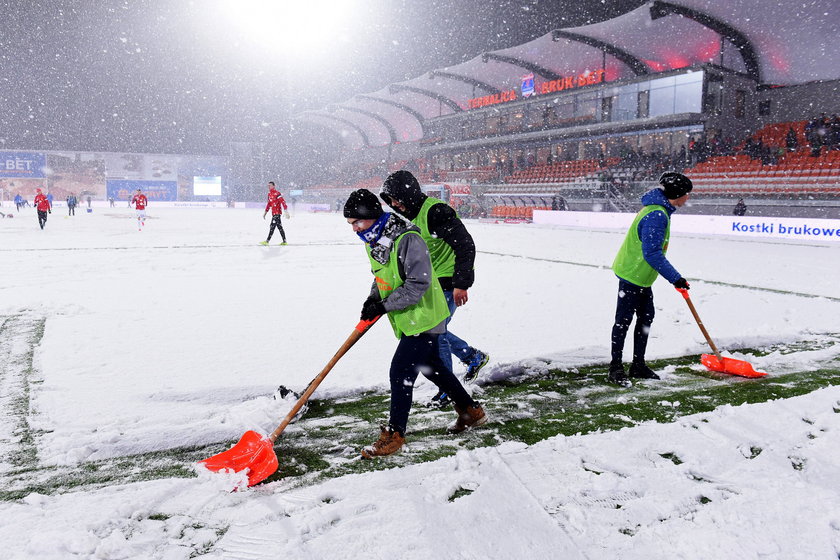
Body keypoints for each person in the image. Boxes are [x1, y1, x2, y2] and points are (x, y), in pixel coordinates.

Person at [343, 189, 486, 458]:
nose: (354, 229)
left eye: (357, 222)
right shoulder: (373, 239)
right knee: (433, 368)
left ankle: (395, 434)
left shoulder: (408, 238)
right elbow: (382, 274)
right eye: (350, 224)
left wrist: (384, 305)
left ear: (372, 217)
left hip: (425, 315)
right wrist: (373, 298)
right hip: (407, 316)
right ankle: (471, 411)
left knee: (400, 372)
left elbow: (417, 283)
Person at [380, 170, 489, 395]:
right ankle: (472, 357)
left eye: (395, 199)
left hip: (449, 280)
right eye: (390, 201)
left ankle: (448, 390)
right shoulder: (407, 215)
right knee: (435, 330)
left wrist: (462, 283)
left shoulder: (436, 212)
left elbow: (465, 245)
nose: (393, 204)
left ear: (406, 195)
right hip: (430, 282)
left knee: (435, 333)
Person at [609, 172, 693, 387]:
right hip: (632, 275)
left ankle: (637, 364)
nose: (688, 198)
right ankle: (615, 368)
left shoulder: (660, 210)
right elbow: (652, 253)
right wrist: (676, 279)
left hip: (642, 276)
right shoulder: (657, 214)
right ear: (678, 194)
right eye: (687, 194)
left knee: (646, 318)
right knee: (624, 321)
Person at [260, 181, 288, 245]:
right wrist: (265, 212)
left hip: (277, 213)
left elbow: (282, 201)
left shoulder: (277, 194)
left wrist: (285, 210)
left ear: (274, 186)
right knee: (279, 227)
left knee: (272, 226)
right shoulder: (269, 194)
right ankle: (284, 241)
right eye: (268, 185)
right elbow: (269, 204)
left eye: (270, 185)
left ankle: (267, 241)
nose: (268, 187)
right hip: (274, 213)